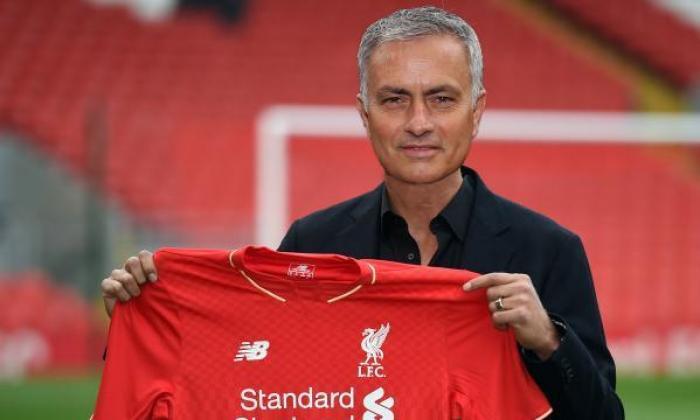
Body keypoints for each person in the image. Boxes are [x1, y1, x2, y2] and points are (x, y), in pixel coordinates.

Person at [101, 6, 624, 419]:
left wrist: (549, 341)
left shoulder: (548, 251)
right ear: (364, 112)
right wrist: (149, 317)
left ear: (477, 110)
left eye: (441, 99)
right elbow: (255, 383)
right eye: (394, 99)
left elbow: (603, 416)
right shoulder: (312, 244)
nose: (419, 122)